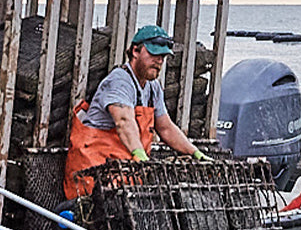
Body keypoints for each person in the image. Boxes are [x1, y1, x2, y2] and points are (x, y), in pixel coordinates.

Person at [64, 23, 206, 200]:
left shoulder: (153, 87)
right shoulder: (119, 81)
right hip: (93, 175)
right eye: (153, 54)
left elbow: (166, 127)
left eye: (162, 56)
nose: (159, 61)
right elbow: (124, 122)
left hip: (122, 174)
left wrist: (194, 153)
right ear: (135, 51)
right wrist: (139, 154)